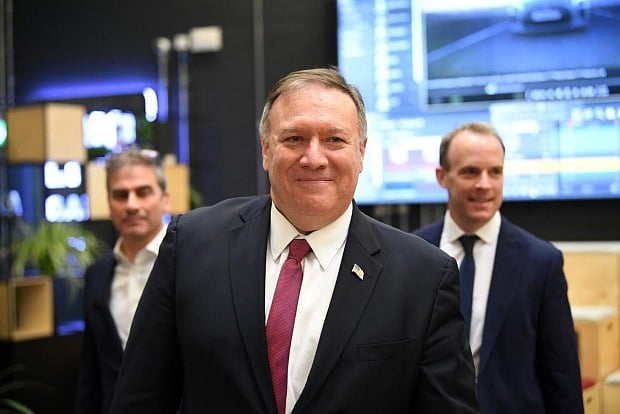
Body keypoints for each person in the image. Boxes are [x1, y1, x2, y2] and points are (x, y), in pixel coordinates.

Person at [109, 67, 479, 413]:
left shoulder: (424, 277)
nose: (313, 158)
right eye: (294, 138)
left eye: (334, 139)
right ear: (266, 150)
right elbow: (140, 398)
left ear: (361, 152)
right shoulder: (191, 245)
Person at [414, 122, 583, 413]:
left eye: (495, 172)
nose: (485, 185)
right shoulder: (412, 254)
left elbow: (561, 375)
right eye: (470, 172)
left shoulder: (542, 262)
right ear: (442, 177)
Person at [76, 148, 171, 413]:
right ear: (109, 203)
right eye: (120, 195)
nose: (131, 205)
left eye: (143, 192)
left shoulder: (190, 263)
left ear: (165, 200)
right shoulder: (97, 274)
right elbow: (91, 369)